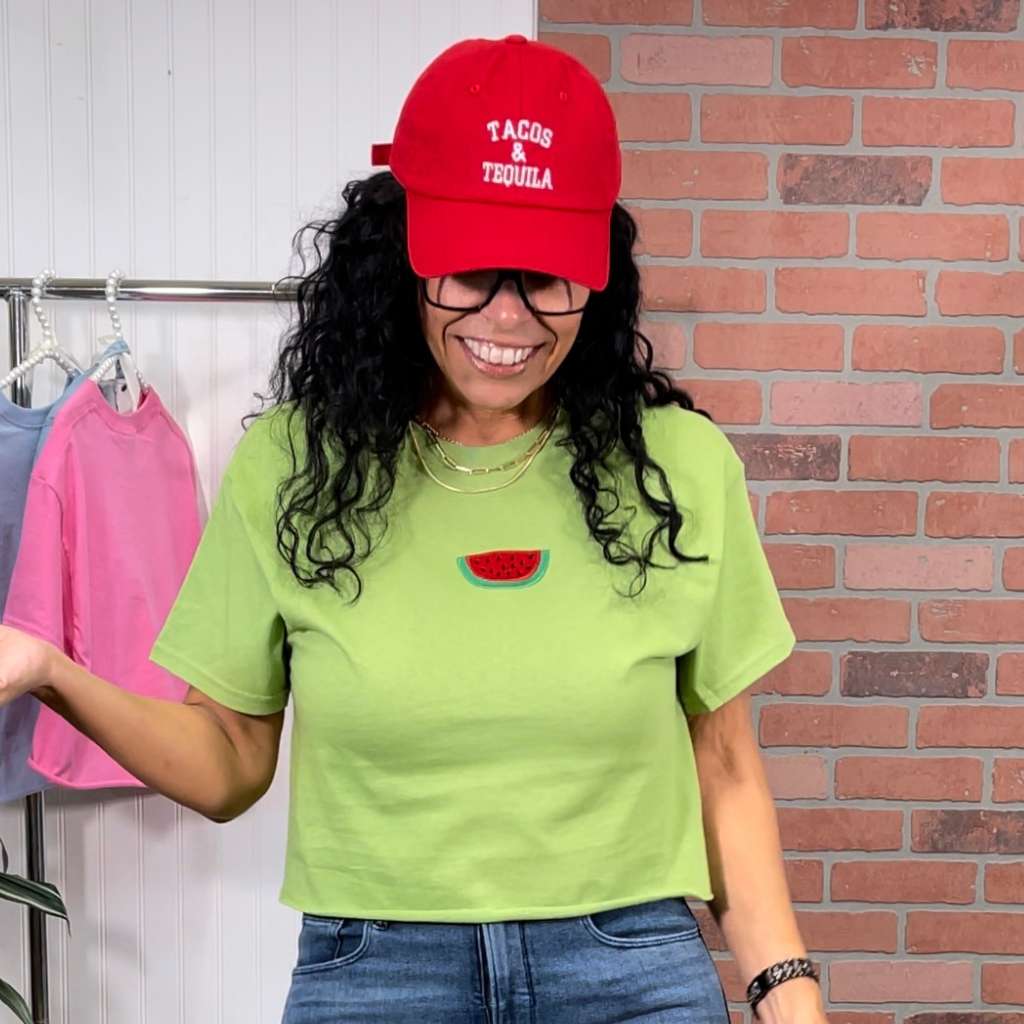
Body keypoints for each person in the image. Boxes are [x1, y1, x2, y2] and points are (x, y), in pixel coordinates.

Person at [0, 34, 828, 1024]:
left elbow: (726, 766)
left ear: (596, 274)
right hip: (377, 976)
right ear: (404, 255)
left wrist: (787, 992)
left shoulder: (678, 466)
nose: (510, 319)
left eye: (547, 277)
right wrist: (51, 668)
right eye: (471, 272)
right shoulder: (298, 466)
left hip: (629, 970)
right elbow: (226, 766)